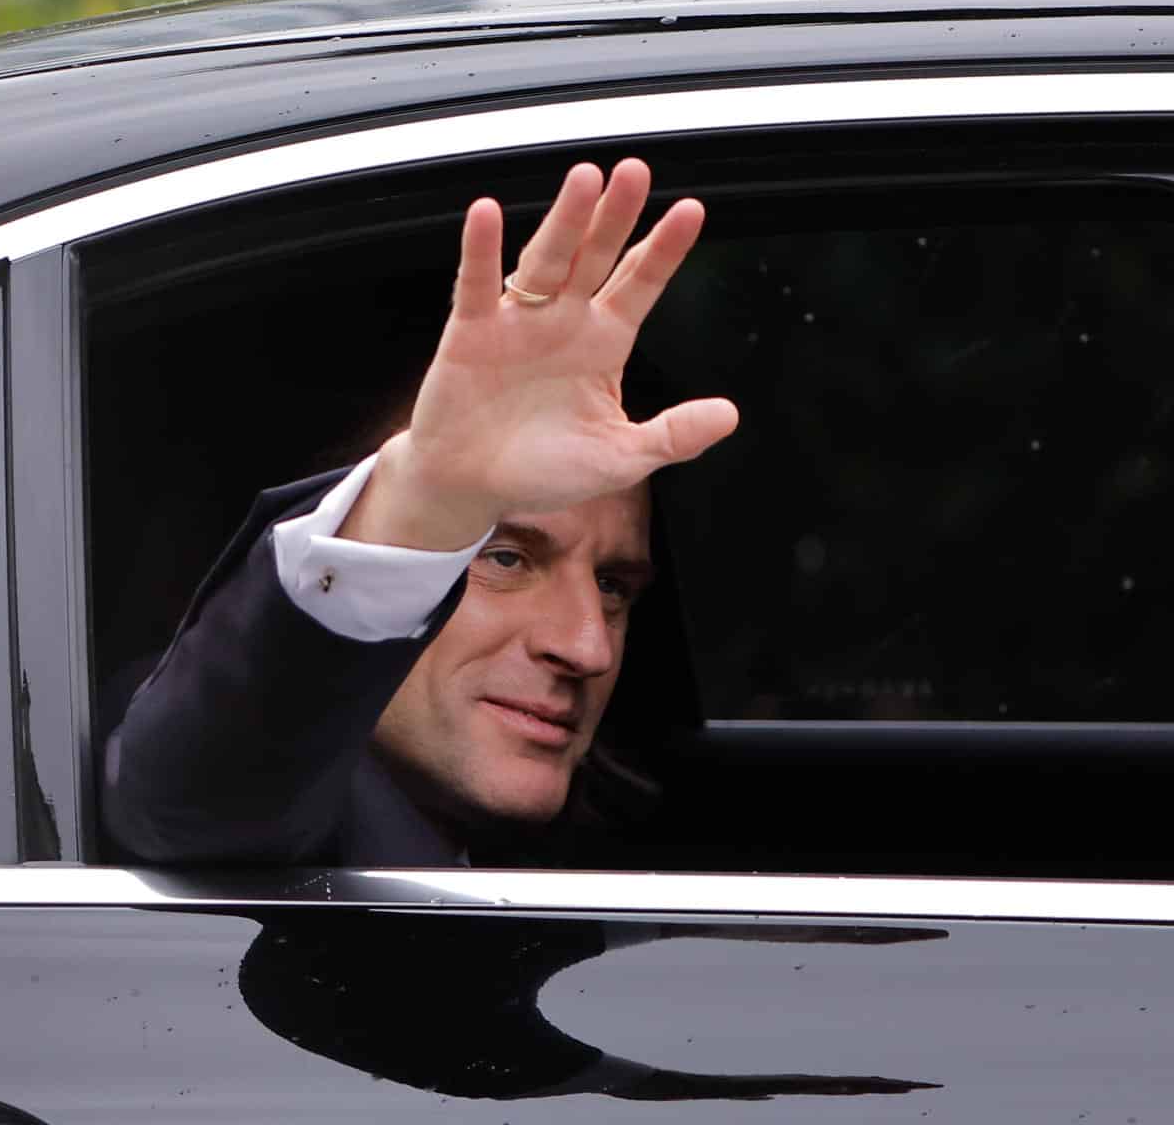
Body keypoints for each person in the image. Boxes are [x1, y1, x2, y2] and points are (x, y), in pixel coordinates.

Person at [102, 158, 739, 865]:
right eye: (501, 556)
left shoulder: (601, 849)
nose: (587, 647)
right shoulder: (243, 783)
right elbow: (200, 795)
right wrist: (414, 513)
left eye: (614, 586)